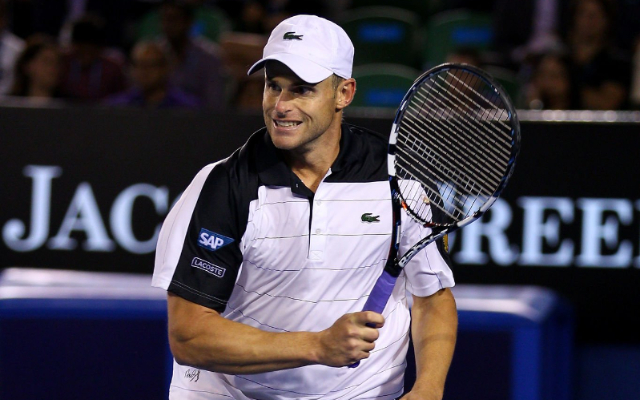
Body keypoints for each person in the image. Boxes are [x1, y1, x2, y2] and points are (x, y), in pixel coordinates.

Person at [152, 14, 457, 400]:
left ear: (344, 93)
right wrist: (317, 346)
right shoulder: (222, 185)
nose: (281, 105)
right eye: (273, 86)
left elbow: (433, 298)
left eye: (301, 89)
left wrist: (428, 388)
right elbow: (189, 336)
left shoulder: (400, 181)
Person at [157, 0, 227, 110]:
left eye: (174, 19)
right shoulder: (154, 54)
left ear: (188, 22)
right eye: (165, 19)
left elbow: (214, 104)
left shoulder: (209, 57)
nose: (169, 25)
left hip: (198, 117)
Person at [104, 41, 200, 109]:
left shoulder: (188, 108)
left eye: (150, 65)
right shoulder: (116, 107)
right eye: (139, 65)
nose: (144, 71)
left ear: (165, 68)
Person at [58, 14, 128, 103]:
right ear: (74, 46)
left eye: (91, 50)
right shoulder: (62, 64)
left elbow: (122, 99)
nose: (86, 55)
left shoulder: (112, 70)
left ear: (100, 49)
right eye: (82, 50)